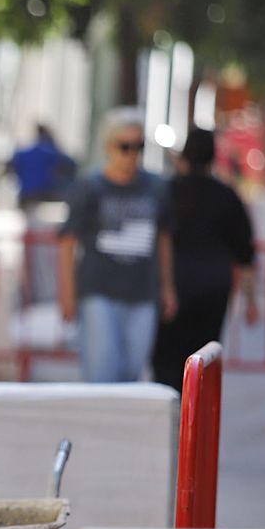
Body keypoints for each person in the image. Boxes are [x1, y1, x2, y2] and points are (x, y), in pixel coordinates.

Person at [59, 107, 178, 383]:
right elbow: (67, 241)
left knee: (132, 369)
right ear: (109, 146)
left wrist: (168, 286)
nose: (132, 154)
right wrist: (66, 293)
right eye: (125, 146)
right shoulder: (90, 186)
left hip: (142, 292)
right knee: (102, 368)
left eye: (138, 146)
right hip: (99, 290)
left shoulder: (156, 186)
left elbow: (163, 238)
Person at [150, 128, 258, 392]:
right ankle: (194, 426)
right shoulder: (226, 195)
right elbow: (245, 253)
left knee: (166, 361)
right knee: (203, 361)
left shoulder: (166, 191)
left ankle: (171, 420)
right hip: (213, 287)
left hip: (171, 285)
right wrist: (251, 299)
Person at [8, 124, 77, 209]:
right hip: (45, 195)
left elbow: (14, 166)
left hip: (27, 194)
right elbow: (70, 165)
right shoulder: (51, 153)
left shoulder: (24, 153)